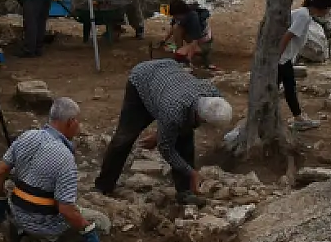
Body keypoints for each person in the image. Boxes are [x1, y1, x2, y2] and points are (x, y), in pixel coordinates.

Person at [94, 58, 233, 207]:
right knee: (124, 138)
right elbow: (165, 148)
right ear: (200, 115)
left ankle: (185, 192)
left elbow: (177, 125)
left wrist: (163, 133)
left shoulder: (212, 94)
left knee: (184, 138)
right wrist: (191, 172)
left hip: (167, 79)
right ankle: (103, 186)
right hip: (142, 80)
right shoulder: (174, 111)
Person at [0, 98, 109, 242]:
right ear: (71, 122)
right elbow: (66, 209)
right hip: (46, 224)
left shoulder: (27, 136)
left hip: (16, 213)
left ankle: (21, 230)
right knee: (102, 223)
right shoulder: (65, 158)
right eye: (78, 122)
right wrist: (87, 230)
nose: (79, 126)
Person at [279, 0, 331, 132]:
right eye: (328, 9)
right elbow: (288, 36)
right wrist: (277, 57)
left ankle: (298, 118)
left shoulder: (305, 14)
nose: (328, 12)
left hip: (284, 59)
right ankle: (297, 119)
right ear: (322, 7)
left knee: (288, 88)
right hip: (281, 59)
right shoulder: (303, 16)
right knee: (288, 88)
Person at [162, 0, 212, 67]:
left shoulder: (193, 17)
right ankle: (180, 51)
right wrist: (163, 40)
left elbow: (195, 41)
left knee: (180, 55)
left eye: (176, 16)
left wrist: (188, 59)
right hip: (191, 38)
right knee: (176, 27)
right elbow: (173, 29)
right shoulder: (178, 15)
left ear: (182, 13)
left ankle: (200, 54)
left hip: (203, 43)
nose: (175, 17)